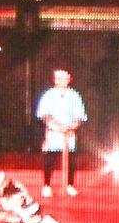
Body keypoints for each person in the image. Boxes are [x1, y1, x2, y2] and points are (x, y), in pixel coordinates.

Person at [36, 69, 88, 198]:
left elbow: (80, 116)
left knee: (71, 160)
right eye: (59, 78)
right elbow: (44, 114)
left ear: (69, 79)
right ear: (54, 80)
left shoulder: (75, 95)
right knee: (50, 158)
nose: (61, 81)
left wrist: (71, 128)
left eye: (64, 78)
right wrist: (57, 127)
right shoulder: (48, 95)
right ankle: (47, 185)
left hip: (69, 132)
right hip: (53, 131)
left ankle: (70, 185)